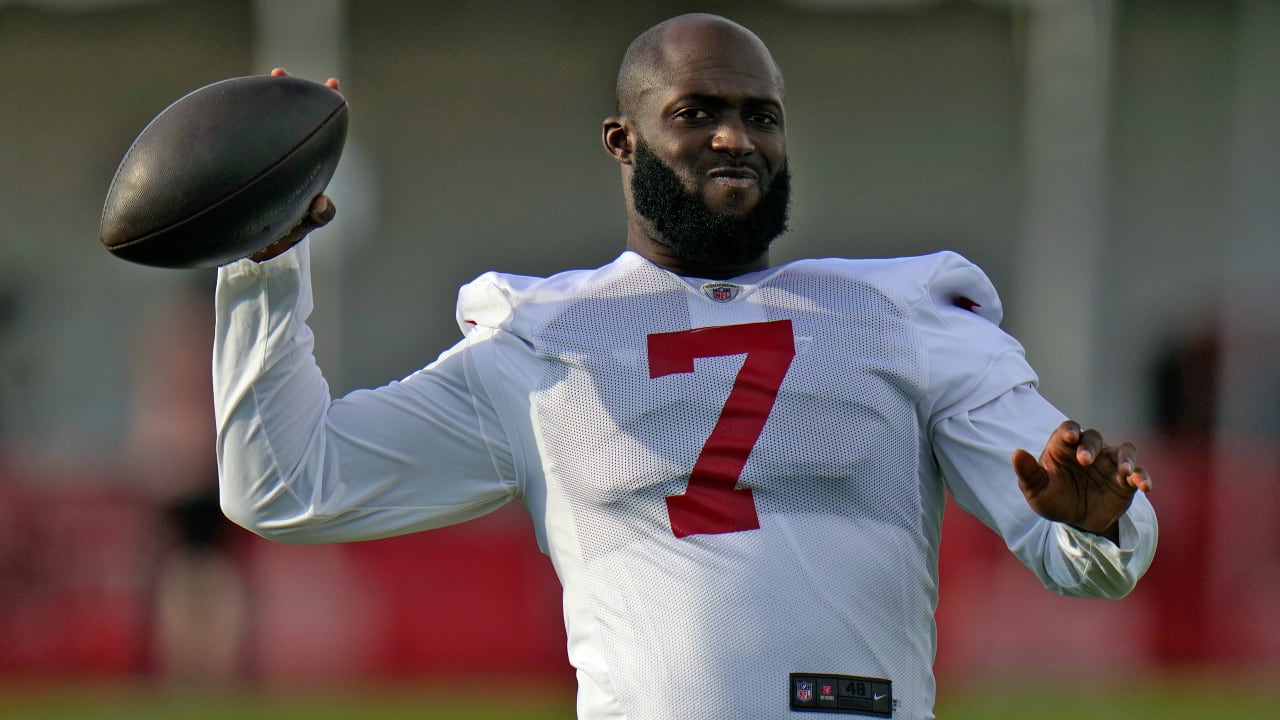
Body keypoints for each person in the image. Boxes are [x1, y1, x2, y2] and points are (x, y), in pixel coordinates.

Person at [214, 13, 1156, 720]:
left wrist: (1103, 523)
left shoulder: (910, 314)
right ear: (623, 142)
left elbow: (1090, 556)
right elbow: (289, 483)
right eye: (696, 111)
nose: (734, 137)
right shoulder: (543, 340)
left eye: (761, 116)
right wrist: (264, 264)